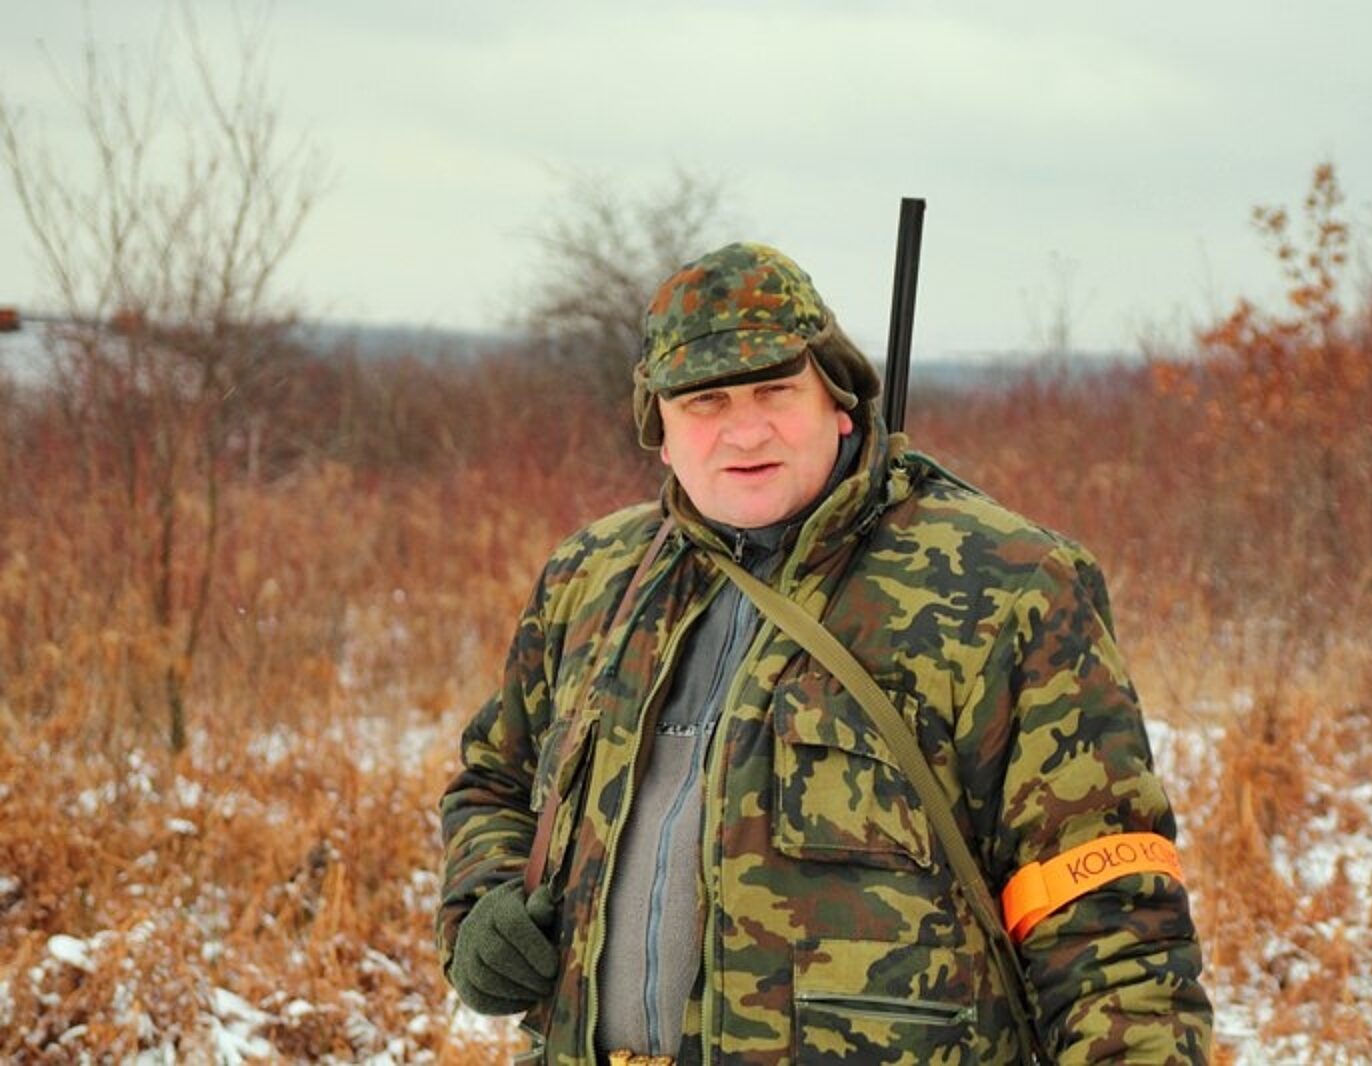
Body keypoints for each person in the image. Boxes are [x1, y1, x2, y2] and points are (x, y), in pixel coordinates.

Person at [436, 242, 1212, 1064]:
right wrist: (483, 898)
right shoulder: (593, 580)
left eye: (776, 389)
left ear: (839, 400)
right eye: (705, 401)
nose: (745, 430)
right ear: (660, 430)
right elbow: (496, 780)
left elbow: (1107, 918)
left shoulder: (1004, 587)